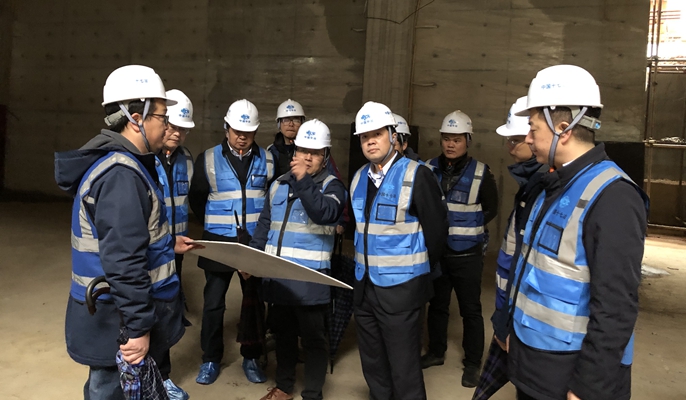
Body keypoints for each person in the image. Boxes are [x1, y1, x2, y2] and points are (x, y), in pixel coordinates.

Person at [55, 65, 198, 400]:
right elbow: (123, 260)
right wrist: (137, 328)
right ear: (136, 119)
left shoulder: (121, 164)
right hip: (115, 317)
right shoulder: (121, 174)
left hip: (112, 310)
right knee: (110, 392)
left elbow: (128, 238)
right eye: (162, 117)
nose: (167, 126)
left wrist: (166, 244)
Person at [506, 65, 649, 400]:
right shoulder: (551, 183)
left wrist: (589, 386)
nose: (528, 139)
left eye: (533, 128)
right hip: (536, 364)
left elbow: (616, 306)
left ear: (564, 129)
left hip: (571, 374)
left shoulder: (613, 196)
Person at [350, 101, 447, 400]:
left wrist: (416, 275)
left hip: (402, 290)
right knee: (373, 364)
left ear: (393, 136)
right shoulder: (358, 178)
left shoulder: (417, 175)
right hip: (365, 288)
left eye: (377, 134)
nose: (370, 141)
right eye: (365, 136)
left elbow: (437, 234)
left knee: (405, 368)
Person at [249, 119, 347, 400]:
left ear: (325, 156)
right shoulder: (279, 185)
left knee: (314, 340)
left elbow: (324, 213)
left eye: (315, 153)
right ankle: (284, 387)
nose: (307, 157)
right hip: (279, 277)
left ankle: (313, 394)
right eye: (303, 150)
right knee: (284, 335)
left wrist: (303, 181)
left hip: (310, 279)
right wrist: (252, 260)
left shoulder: (333, 187)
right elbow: (264, 225)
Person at [188, 99, 274, 385]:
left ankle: (252, 357)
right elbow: (197, 198)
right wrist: (217, 224)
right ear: (226, 128)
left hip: (253, 242)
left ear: (256, 132)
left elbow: (273, 200)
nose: (242, 137)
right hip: (218, 242)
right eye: (237, 131)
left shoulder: (269, 160)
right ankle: (210, 359)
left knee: (253, 303)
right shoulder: (208, 158)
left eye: (248, 132)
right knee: (213, 303)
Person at [423, 110, 499, 387]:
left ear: (468, 140)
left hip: (467, 254)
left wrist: (471, 225)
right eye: (446, 139)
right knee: (437, 306)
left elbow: (491, 207)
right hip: (438, 252)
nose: (450, 144)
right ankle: (436, 352)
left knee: (471, 310)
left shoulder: (480, 172)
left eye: (456, 139)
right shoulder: (428, 168)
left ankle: (472, 364)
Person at [490, 96, 545, 351]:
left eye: (515, 140)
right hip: (511, 312)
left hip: (526, 323)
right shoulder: (530, 184)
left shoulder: (543, 187)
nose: (510, 148)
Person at [152, 89, 196, 400]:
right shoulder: (143, 159)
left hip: (175, 248)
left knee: (167, 310)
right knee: (145, 311)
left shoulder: (187, 160)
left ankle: (162, 376)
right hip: (150, 248)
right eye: (172, 126)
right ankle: (142, 374)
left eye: (183, 129)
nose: (177, 133)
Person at [267, 99, 347, 234]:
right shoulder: (270, 153)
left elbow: (336, 194)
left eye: (296, 120)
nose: (291, 124)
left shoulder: (324, 165)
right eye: (286, 119)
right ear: (279, 124)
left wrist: (341, 219)